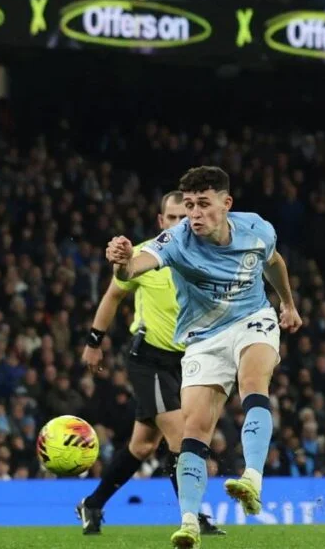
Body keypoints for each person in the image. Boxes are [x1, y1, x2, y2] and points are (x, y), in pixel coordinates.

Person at [105, 166, 302, 549]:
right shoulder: (175, 241)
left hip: (252, 318)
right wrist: (122, 259)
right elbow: (134, 267)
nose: (195, 214)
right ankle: (190, 523)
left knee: (252, 383)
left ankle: (252, 479)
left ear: (226, 204)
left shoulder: (257, 229)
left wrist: (288, 305)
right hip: (203, 337)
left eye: (204, 204)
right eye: (190, 205)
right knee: (194, 429)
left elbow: (274, 262)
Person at [77, 191, 222, 537]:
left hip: (186, 362)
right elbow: (113, 295)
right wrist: (94, 341)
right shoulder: (144, 256)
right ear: (161, 222)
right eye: (169, 218)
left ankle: (93, 504)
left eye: (182, 217)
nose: (176, 224)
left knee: (142, 446)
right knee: (180, 436)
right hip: (149, 360)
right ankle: (192, 517)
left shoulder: (203, 256)